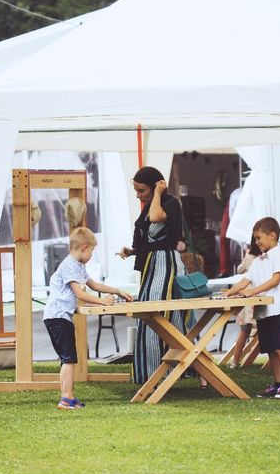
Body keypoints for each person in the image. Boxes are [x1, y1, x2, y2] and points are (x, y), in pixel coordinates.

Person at [44, 227, 132, 410]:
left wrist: (117, 291)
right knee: (68, 359)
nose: (92, 255)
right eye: (92, 251)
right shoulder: (69, 265)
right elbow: (79, 292)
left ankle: (69, 396)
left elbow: (93, 284)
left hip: (60, 317)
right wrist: (103, 302)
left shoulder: (78, 266)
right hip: (58, 317)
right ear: (84, 247)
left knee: (67, 358)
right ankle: (66, 398)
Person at [117, 166, 191, 384]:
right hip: (152, 266)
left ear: (156, 186)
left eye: (142, 191)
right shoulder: (149, 206)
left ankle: (173, 370)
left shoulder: (169, 203)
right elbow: (148, 240)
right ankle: (152, 371)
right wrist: (132, 251)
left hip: (165, 266)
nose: (139, 195)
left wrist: (158, 194)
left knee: (162, 314)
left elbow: (157, 218)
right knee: (150, 316)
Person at [222, 217, 280, 399]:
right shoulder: (258, 261)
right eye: (255, 238)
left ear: (272, 236)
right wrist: (230, 292)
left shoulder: (279, 256)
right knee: (270, 349)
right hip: (263, 312)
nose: (256, 242)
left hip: (277, 309)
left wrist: (252, 292)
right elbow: (246, 280)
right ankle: (278, 383)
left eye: (259, 238)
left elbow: (276, 279)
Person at [229, 233, 262, 369]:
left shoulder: (250, 257)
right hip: (257, 297)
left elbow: (240, 269)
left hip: (248, 299)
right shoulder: (262, 258)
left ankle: (235, 361)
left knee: (244, 331)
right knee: (259, 328)